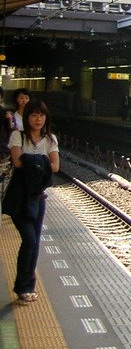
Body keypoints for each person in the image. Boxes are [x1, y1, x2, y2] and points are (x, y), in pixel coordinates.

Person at [6, 100, 59, 303]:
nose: (38, 119)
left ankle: (27, 287)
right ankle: (23, 286)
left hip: (38, 197)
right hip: (19, 196)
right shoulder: (17, 136)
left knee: (35, 242)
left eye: (42, 115)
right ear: (27, 118)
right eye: (34, 115)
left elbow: (55, 166)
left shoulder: (50, 139)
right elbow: (17, 162)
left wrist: (36, 162)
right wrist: (42, 162)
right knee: (29, 239)